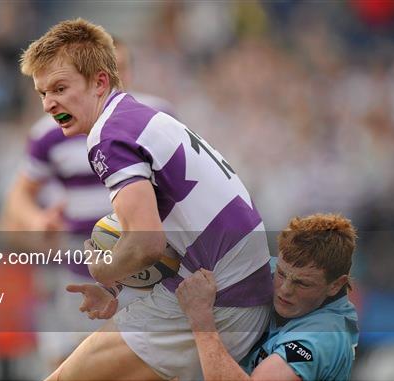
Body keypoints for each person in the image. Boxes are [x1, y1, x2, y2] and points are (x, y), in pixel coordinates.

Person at [20, 18, 273, 381]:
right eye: (42, 93)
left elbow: (145, 243)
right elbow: (171, 232)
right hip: (235, 290)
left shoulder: (108, 137)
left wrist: (103, 268)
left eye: (60, 88)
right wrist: (115, 286)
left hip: (217, 299)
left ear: (100, 82)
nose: (49, 104)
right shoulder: (137, 117)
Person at [0, 36, 175, 371]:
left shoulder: (157, 117)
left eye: (121, 70)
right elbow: (17, 199)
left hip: (148, 280)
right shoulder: (49, 134)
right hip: (79, 280)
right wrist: (37, 222)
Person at [176, 213, 359, 381]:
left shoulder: (322, 337)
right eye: (281, 273)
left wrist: (201, 321)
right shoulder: (271, 271)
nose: (284, 290)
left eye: (302, 283)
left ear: (335, 284)